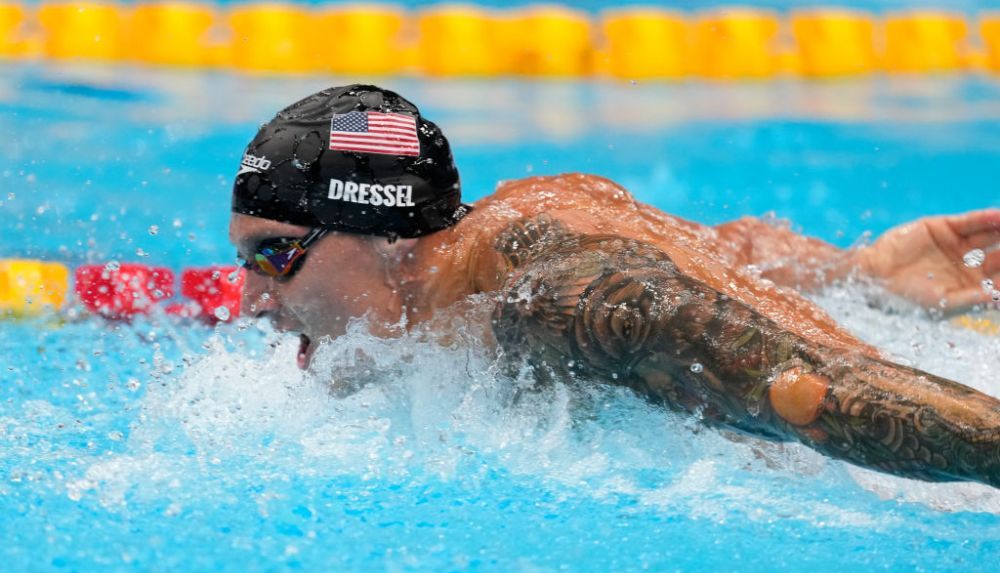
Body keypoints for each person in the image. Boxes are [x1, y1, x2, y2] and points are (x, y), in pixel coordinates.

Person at [230, 84, 1000, 488]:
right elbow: (729, 246)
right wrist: (855, 274)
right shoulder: (513, 225)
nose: (250, 303)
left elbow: (809, 392)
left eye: (275, 257)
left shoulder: (557, 304)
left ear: (389, 236)